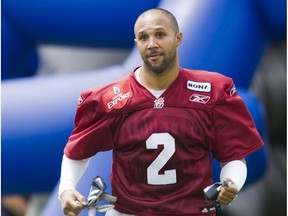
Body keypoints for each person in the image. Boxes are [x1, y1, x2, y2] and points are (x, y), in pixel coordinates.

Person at [59, 8, 264, 216]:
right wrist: (66, 189)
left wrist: (231, 184)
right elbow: (76, 152)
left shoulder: (212, 91)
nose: (152, 44)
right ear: (136, 43)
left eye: (160, 34)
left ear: (178, 38)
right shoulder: (111, 99)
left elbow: (233, 157)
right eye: (143, 37)